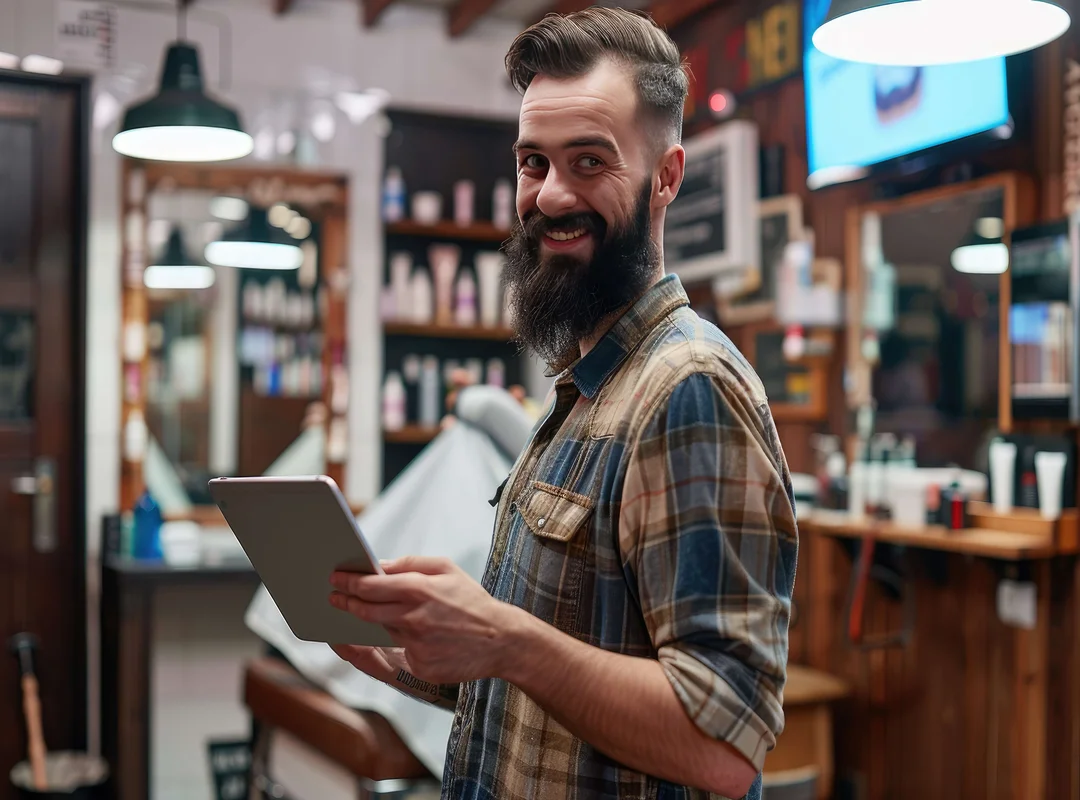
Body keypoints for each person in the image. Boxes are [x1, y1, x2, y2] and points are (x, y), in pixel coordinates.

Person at [327, 8, 798, 799]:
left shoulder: (687, 390)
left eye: (589, 162)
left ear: (668, 177)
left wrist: (504, 639)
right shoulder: (585, 392)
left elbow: (724, 742)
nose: (548, 196)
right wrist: (386, 643)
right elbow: (535, 684)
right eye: (533, 163)